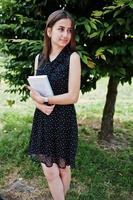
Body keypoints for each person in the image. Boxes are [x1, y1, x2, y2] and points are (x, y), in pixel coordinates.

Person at [27, 9, 81, 200]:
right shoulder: (38, 58)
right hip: (43, 119)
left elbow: (73, 96)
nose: (66, 34)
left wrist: (46, 100)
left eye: (69, 30)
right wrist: (38, 102)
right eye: (61, 29)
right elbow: (35, 91)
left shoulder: (73, 58)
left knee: (63, 170)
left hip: (64, 120)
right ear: (49, 31)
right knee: (50, 171)